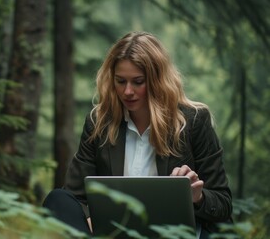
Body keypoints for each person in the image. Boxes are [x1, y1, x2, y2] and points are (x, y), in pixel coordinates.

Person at [43, 31, 232, 238]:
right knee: (57, 199)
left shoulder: (194, 120)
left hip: (174, 235)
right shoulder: (99, 122)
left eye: (138, 81)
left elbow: (223, 203)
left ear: (157, 80)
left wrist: (198, 197)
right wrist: (89, 217)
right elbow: (74, 195)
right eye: (120, 81)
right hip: (115, 233)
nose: (127, 91)